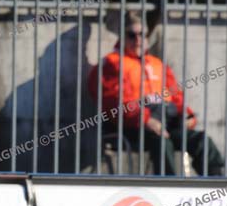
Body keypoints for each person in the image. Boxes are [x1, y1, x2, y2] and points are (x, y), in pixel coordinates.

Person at [88, 10, 224, 176]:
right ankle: (169, 188)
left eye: (142, 35)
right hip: (132, 126)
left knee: (201, 141)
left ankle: (216, 185)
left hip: (165, 122)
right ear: (122, 37)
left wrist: (186, 116)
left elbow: (175, 96)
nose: (138, 40)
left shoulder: (157, 64)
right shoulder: (112, 63)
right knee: (162, 143)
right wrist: (145, 120)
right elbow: (112, 102)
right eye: (131, 35)